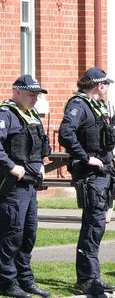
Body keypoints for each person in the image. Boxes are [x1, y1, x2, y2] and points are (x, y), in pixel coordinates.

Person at [58, 67, 115, 295]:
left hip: (103, 175)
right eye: (105, 85)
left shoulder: (97, 107)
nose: (106, 89)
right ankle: (86, 279)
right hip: (90, 176)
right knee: (93, 226)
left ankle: (92, 276)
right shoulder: (78, 105)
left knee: (98, 226)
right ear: (99, 85)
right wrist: (86, 158)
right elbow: (65, 134)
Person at [0, 75, 52, 298]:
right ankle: (7, 282)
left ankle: (25, 279)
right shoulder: (6, 114)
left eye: (37, 95)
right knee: (13, 234)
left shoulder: (31, 115)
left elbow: (39, 146)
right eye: (31, 94)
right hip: (12, 187)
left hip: (30, 186)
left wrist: (40, 164)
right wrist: (11, 166)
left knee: (29, 234)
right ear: (17, 92)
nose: (35, 99)